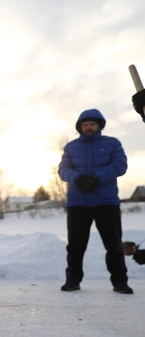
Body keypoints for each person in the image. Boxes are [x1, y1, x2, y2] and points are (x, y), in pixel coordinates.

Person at [58, 109, 132, 294]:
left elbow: (119, 165)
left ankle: (120, 282)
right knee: (75, 245)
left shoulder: (112, 143)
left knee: (113, 244)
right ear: (80, 127)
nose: (88, 127)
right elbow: (63, 169)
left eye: (92, 124)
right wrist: (79, 179)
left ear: (99, 125)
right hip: (78, 203)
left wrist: (97, 178)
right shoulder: (71, 147)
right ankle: (73, 280)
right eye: (85, 124)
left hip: (106, 202)